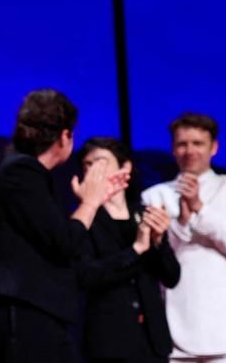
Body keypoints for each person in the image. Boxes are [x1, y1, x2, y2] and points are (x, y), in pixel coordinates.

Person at [0, 89, 128, 363]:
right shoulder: (23, 172)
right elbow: (64, 242)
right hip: (22, 310)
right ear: (65, 136)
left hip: (34, 310)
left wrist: (91, 202)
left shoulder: (28, 175)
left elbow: (56, 238)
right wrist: (91, 203)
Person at [142, 113, 226, 362]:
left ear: (214, 147)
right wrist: (180, 224)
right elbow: (156, 263)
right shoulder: (154, 196)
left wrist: (199, 208)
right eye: (182, 144)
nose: (190, 151)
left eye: (198, 143)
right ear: (173, 149)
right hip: (176, 332)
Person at [74, 136, 179, 363]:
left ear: (126, 167)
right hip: (109, 344)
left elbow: (172, 276)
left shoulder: (144, 213)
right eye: (87, 166)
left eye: (101, 163)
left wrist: (158, 242)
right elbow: (86, 276)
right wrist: (136, 249)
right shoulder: (84, 219)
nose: (94, 172)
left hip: (152, 343)